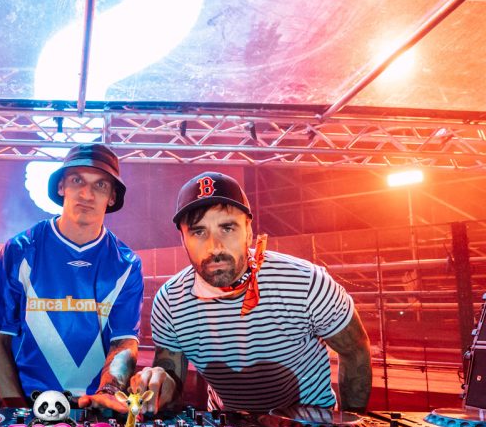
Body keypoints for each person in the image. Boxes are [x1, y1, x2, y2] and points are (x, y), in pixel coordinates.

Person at [133, 171, 371, 414]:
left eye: (227, 228)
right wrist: (158, 382)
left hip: (310, 425)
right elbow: (172, 384)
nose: (215, 247)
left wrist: (352, 426)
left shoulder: (307, 282)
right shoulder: (170, 301)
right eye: (198, 232)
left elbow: (355, 350)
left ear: (248, 231)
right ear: (183, 239)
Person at [0, 143, 144, 408]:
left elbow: (124, 342)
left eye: (100, 185)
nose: (87, 194)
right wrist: (19, 410)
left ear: (112, 197)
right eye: (77, 180)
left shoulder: (127, 264)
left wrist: (109, 392)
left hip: (94, 410)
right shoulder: (19, 250)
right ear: (61, 187)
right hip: (26, 406)